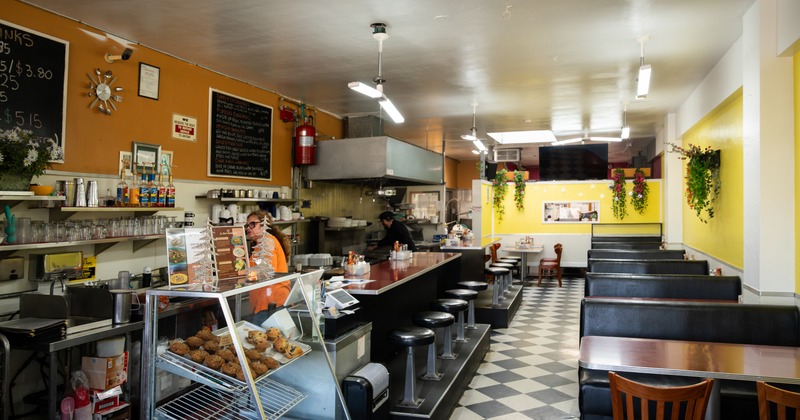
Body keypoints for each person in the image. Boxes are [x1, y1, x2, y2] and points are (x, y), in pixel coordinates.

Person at [245, 210, 291, 325]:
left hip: (270, 304)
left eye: (252, 224)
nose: (248, 228)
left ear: (263, 225)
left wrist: (245, 275)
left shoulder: (267, 241)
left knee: (264, 341)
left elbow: (267, 272)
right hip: (267, 303)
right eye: (247, 225)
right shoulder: (260, 244)